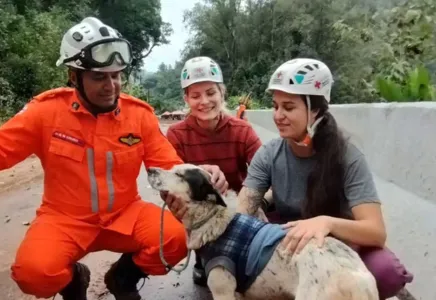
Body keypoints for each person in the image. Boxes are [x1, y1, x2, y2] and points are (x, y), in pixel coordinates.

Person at [0, 17, 228, 300]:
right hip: (64, 219)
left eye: (116, 76)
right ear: (74, 76)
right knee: (33, 274)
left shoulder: (138, 115)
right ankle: (74, 280)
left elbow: (168, 164)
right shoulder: (46, 112)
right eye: (99, 77)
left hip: (124, 214)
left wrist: (200, 174)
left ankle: (122, 279)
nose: (111, 86)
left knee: (176, 239)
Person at [166, 58, 414, 299]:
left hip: (341, 242)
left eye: (289, 107)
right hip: (287, 237)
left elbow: (375, 232)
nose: (278, 116)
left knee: (386, 273)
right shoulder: (269, 154)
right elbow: (243, 210)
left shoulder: (348, 157)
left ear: (315, 110)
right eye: (275, 106)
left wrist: (326, 223)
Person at [165, 56, 263, 286]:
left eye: (211, 93)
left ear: (222, 93)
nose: (204, 101)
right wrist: (198, 176)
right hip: (197, 210)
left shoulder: (242, 130)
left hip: (237, 206)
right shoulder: (176, 135)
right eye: (195, 95)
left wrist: (245, 199)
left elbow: (264, 171)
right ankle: (203, 257)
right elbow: (171, 183)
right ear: (186, 99)